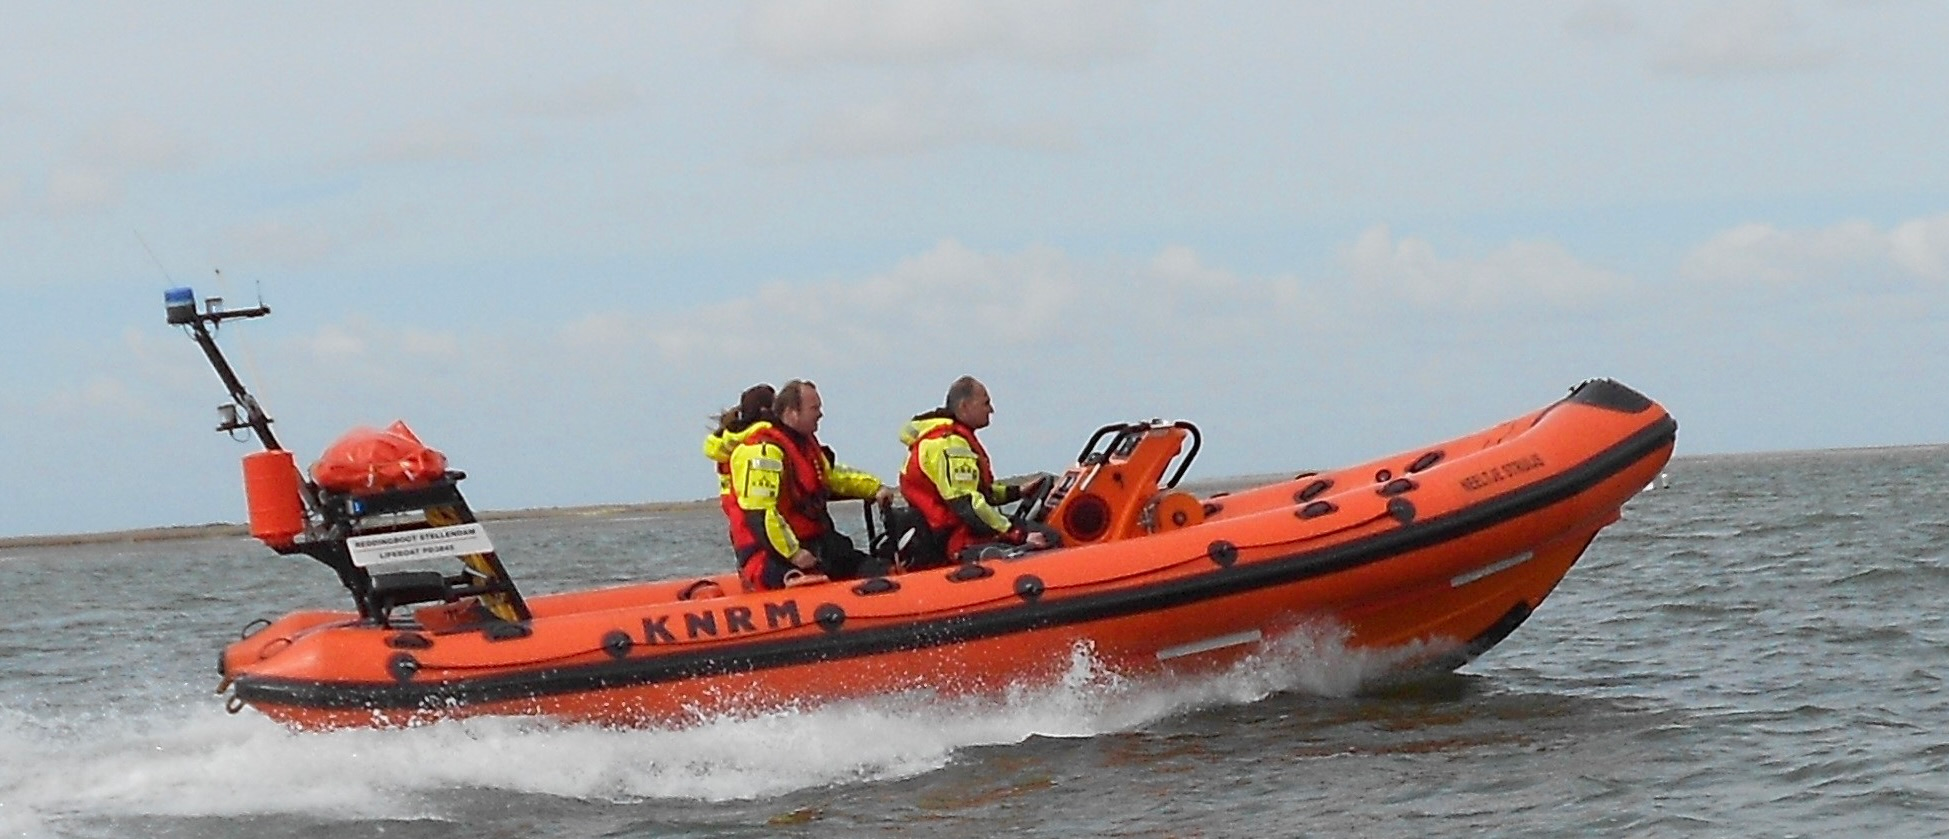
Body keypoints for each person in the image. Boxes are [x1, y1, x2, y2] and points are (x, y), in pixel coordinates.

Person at [728, 379, 895, 590]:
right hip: (771, 554)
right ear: (792, 412)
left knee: (872, 568)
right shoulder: (763, 452)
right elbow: (761, 514)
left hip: (815, 543)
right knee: (809, 582)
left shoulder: (804, 444)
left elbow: (833, 478)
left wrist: (875, 488)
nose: (820, 414)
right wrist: (794, 554)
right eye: (814, 408)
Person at [897, 375, 1055, 568]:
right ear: (964, 406)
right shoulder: (949, 444)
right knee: (1051, 538)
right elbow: (967, 504)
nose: (991, 410)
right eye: (985, 403)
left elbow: (978, 492)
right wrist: (1018, 533)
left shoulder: (947, 439)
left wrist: (1018, 492)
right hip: (958, 540)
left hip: (955, 533)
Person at [703, 383, 776, 550]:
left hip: (740, 531)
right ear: (765, 410)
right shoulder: (757, 445)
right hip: (757, 533)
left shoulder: (727, 444)